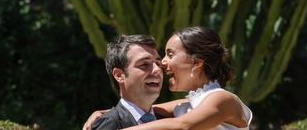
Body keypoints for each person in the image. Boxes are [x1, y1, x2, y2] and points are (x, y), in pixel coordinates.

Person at [85, 27, 252, 130]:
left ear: (196, 63)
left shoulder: (221, 98)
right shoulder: (190, 104)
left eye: (170, 54)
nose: (162, 64)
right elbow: (147, 109)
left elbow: (182, 126)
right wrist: (102, 114)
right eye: (144, 65)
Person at [90, 34, 166, 129]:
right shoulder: (110, 124)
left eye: (158, 63)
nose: (157, 69)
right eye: (144, 64)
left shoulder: (168, 120)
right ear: (119, 75)